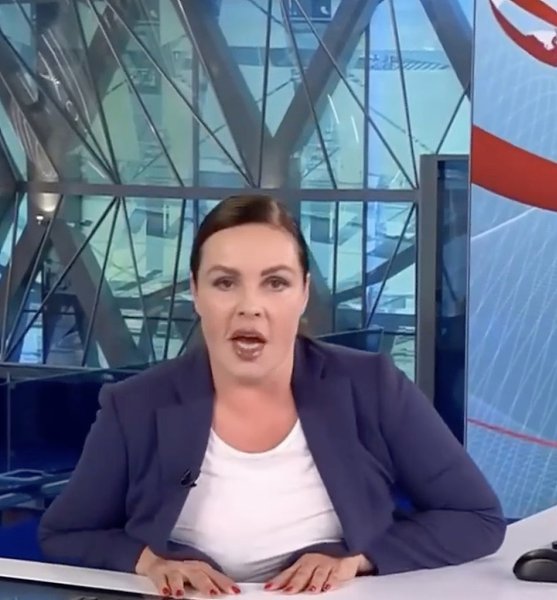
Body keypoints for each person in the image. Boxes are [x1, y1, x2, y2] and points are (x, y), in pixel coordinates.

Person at [39, 195, 506, 597]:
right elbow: (66, 533)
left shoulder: (372, 386)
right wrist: (149, 562)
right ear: (196, 293)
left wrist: (360, 559)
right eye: (225, 283)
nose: (250, 306)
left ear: (303, 293)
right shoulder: (135, 405)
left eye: (275, 283)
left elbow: (475, 516)